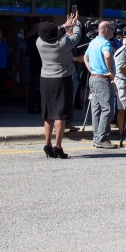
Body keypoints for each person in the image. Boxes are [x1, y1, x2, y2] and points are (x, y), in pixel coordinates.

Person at [37, 12, 82, 159]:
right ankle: (58, 146)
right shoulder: (63, 44)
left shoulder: (39, 42)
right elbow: (76, 36)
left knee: (48, 115)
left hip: (45, 79)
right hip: (62, 79)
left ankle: (48, 144)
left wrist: (65, 25)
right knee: (60, 115)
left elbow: (55, 32)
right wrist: (76, 24)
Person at [85, 21, 118, 149]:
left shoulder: (93, 42)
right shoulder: (105, 42)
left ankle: (96, 136)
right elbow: (108, 55)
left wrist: (91, 70)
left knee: (96, 109)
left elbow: (85, 58)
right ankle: (102, 137)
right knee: (107, 109)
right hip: (102, 79)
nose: (113, 31)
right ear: (106, 30)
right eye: (111, 28)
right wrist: (110, 72)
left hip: (93, 78)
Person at [112, 27, 126, 145]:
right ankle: (122, 132)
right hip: (122, 84)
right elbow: (119, 69)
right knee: (122, 110)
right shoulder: (122, 52)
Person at [26, 27, 42, 114]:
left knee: (42, 89)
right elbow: (28, 52)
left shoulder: (46, 38)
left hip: (44, 68)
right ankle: (31, 107)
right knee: (34, 88)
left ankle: (41, 107)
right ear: (37, 30)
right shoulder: (32, 39)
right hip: (35, 67)